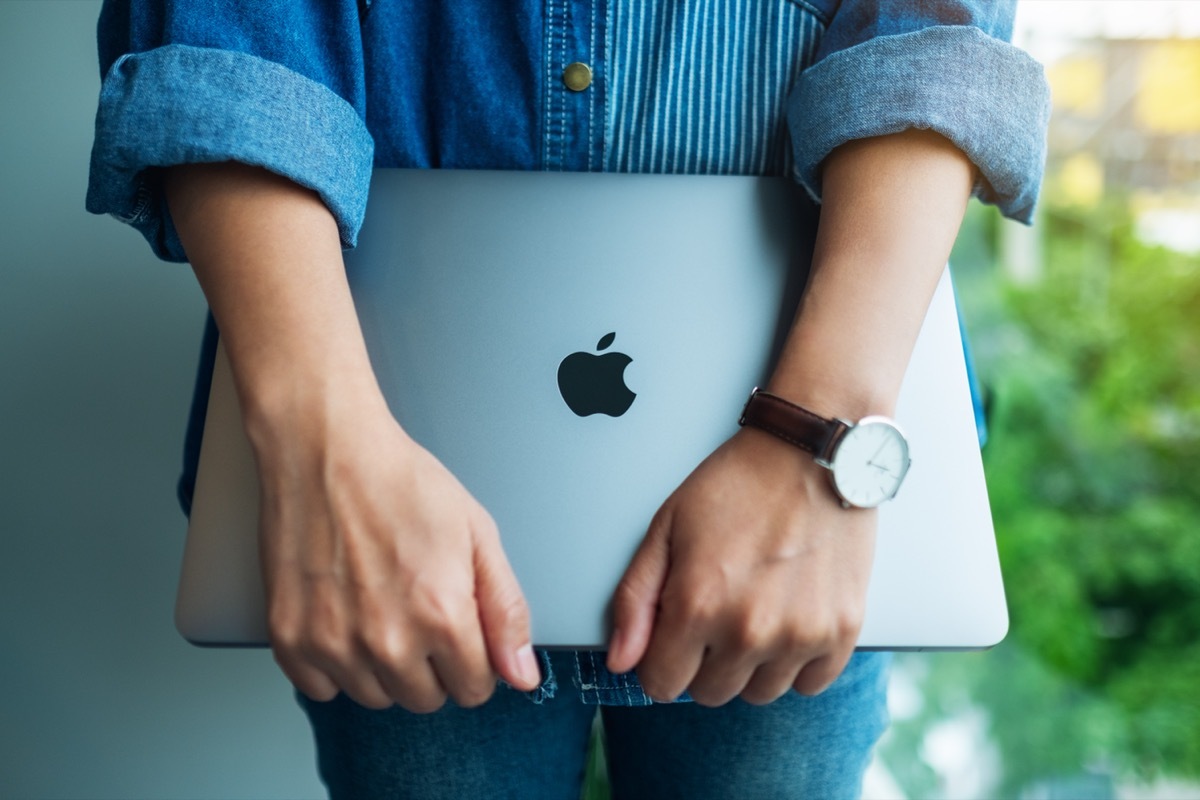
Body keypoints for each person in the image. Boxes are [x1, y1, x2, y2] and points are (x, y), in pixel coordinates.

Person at [87, 1, 1049, 796]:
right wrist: (324, 440)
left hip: (801, 493)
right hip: (381, 492)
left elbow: (934, 34)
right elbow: (225, 35)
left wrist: (822, 438)